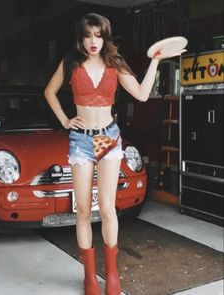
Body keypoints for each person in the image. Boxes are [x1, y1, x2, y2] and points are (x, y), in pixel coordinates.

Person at [44, 12, 185, 295]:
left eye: (98, 35)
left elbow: (143, 94)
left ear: (105, 37)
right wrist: (64, 120)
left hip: (108, 139)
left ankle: (111, 274)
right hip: (81, 142)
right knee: (83, 211)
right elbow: (49, 91)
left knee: (108, 209)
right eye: (88, 35)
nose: (93, 41)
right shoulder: (71, 62)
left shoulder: (115, 63)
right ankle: (89, 277)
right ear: (80, 38)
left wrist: (156, 60)